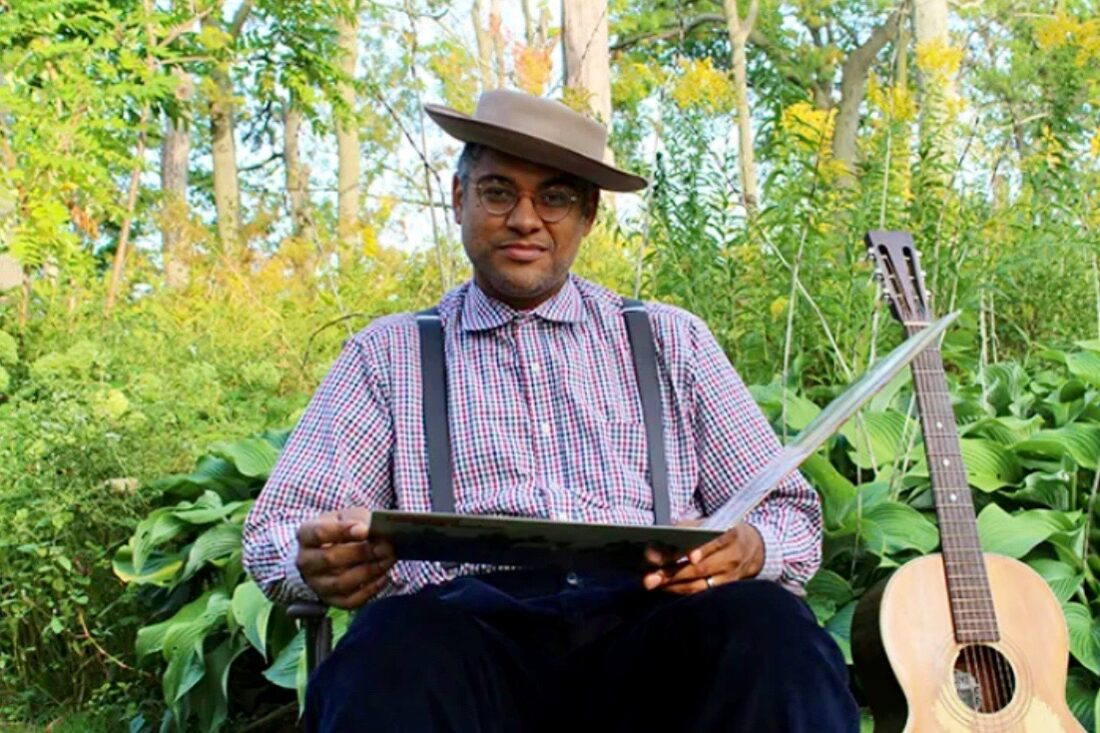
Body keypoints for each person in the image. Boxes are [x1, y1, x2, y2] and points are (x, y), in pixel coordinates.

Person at [243, 89, 859, 732]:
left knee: (768, 628)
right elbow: (276, 530)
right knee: (388, 652)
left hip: (656, 636)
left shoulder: (670, 339)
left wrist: (751, 548)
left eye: (555, 198)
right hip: (460, 644)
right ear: (459, 199)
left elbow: (789, 511)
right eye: (498, 192)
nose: (525, 219)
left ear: (588, 215)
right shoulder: (388, 353)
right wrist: (313, 561)